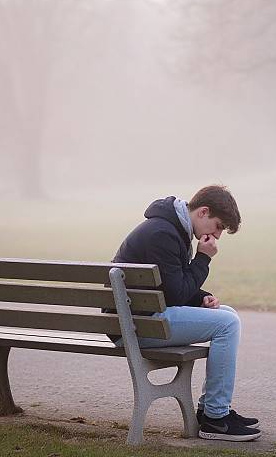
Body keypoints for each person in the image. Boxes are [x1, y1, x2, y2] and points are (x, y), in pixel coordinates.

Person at [109, 185, 261, 442]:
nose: (218, 235)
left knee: (227, 314)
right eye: (219, 226)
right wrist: (203, 259)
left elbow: (170, 287)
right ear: (203, 212)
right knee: (228, 323)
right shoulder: (164, 234)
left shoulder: (168, 229)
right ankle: (215, 419)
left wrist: (202, 297)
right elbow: (176, 293)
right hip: (136, 327)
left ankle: (214, 411)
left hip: (138, 321)